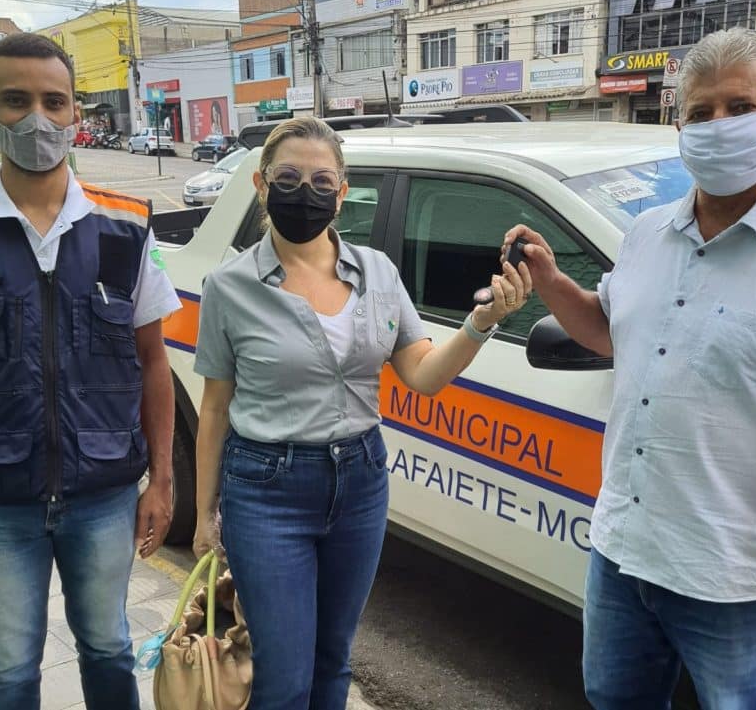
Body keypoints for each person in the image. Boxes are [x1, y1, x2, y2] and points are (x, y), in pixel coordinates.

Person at [506, 27, 756, 710]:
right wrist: (552, 281)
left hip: (737, 585)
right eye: (700, 112)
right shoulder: (648, 234)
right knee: (613, 698)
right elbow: (609, 332)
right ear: (680, 127)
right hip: (623, 553)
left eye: (740, 107)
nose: (719, 125)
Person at [191, 115, 531, 710]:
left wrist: (481, 323)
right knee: (284, 677)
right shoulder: (229, 286)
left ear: (342, 192)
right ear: (261, 185)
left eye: (322, 181)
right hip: (266, 490)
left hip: (360, 482)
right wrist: (203, 514)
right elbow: (215, 408)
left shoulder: (378, 273)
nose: (306, 192)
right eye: (288, 178)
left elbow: (423, 374)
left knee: (333, 661)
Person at [0, 32, 182, 710]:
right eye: (16, 101)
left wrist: (162, 481)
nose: (37, 119)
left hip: (105, 494)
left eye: (54, 102)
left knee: (108, 648)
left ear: (77, 112)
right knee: (10, 668)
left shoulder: (126, 226)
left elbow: (152, 361)